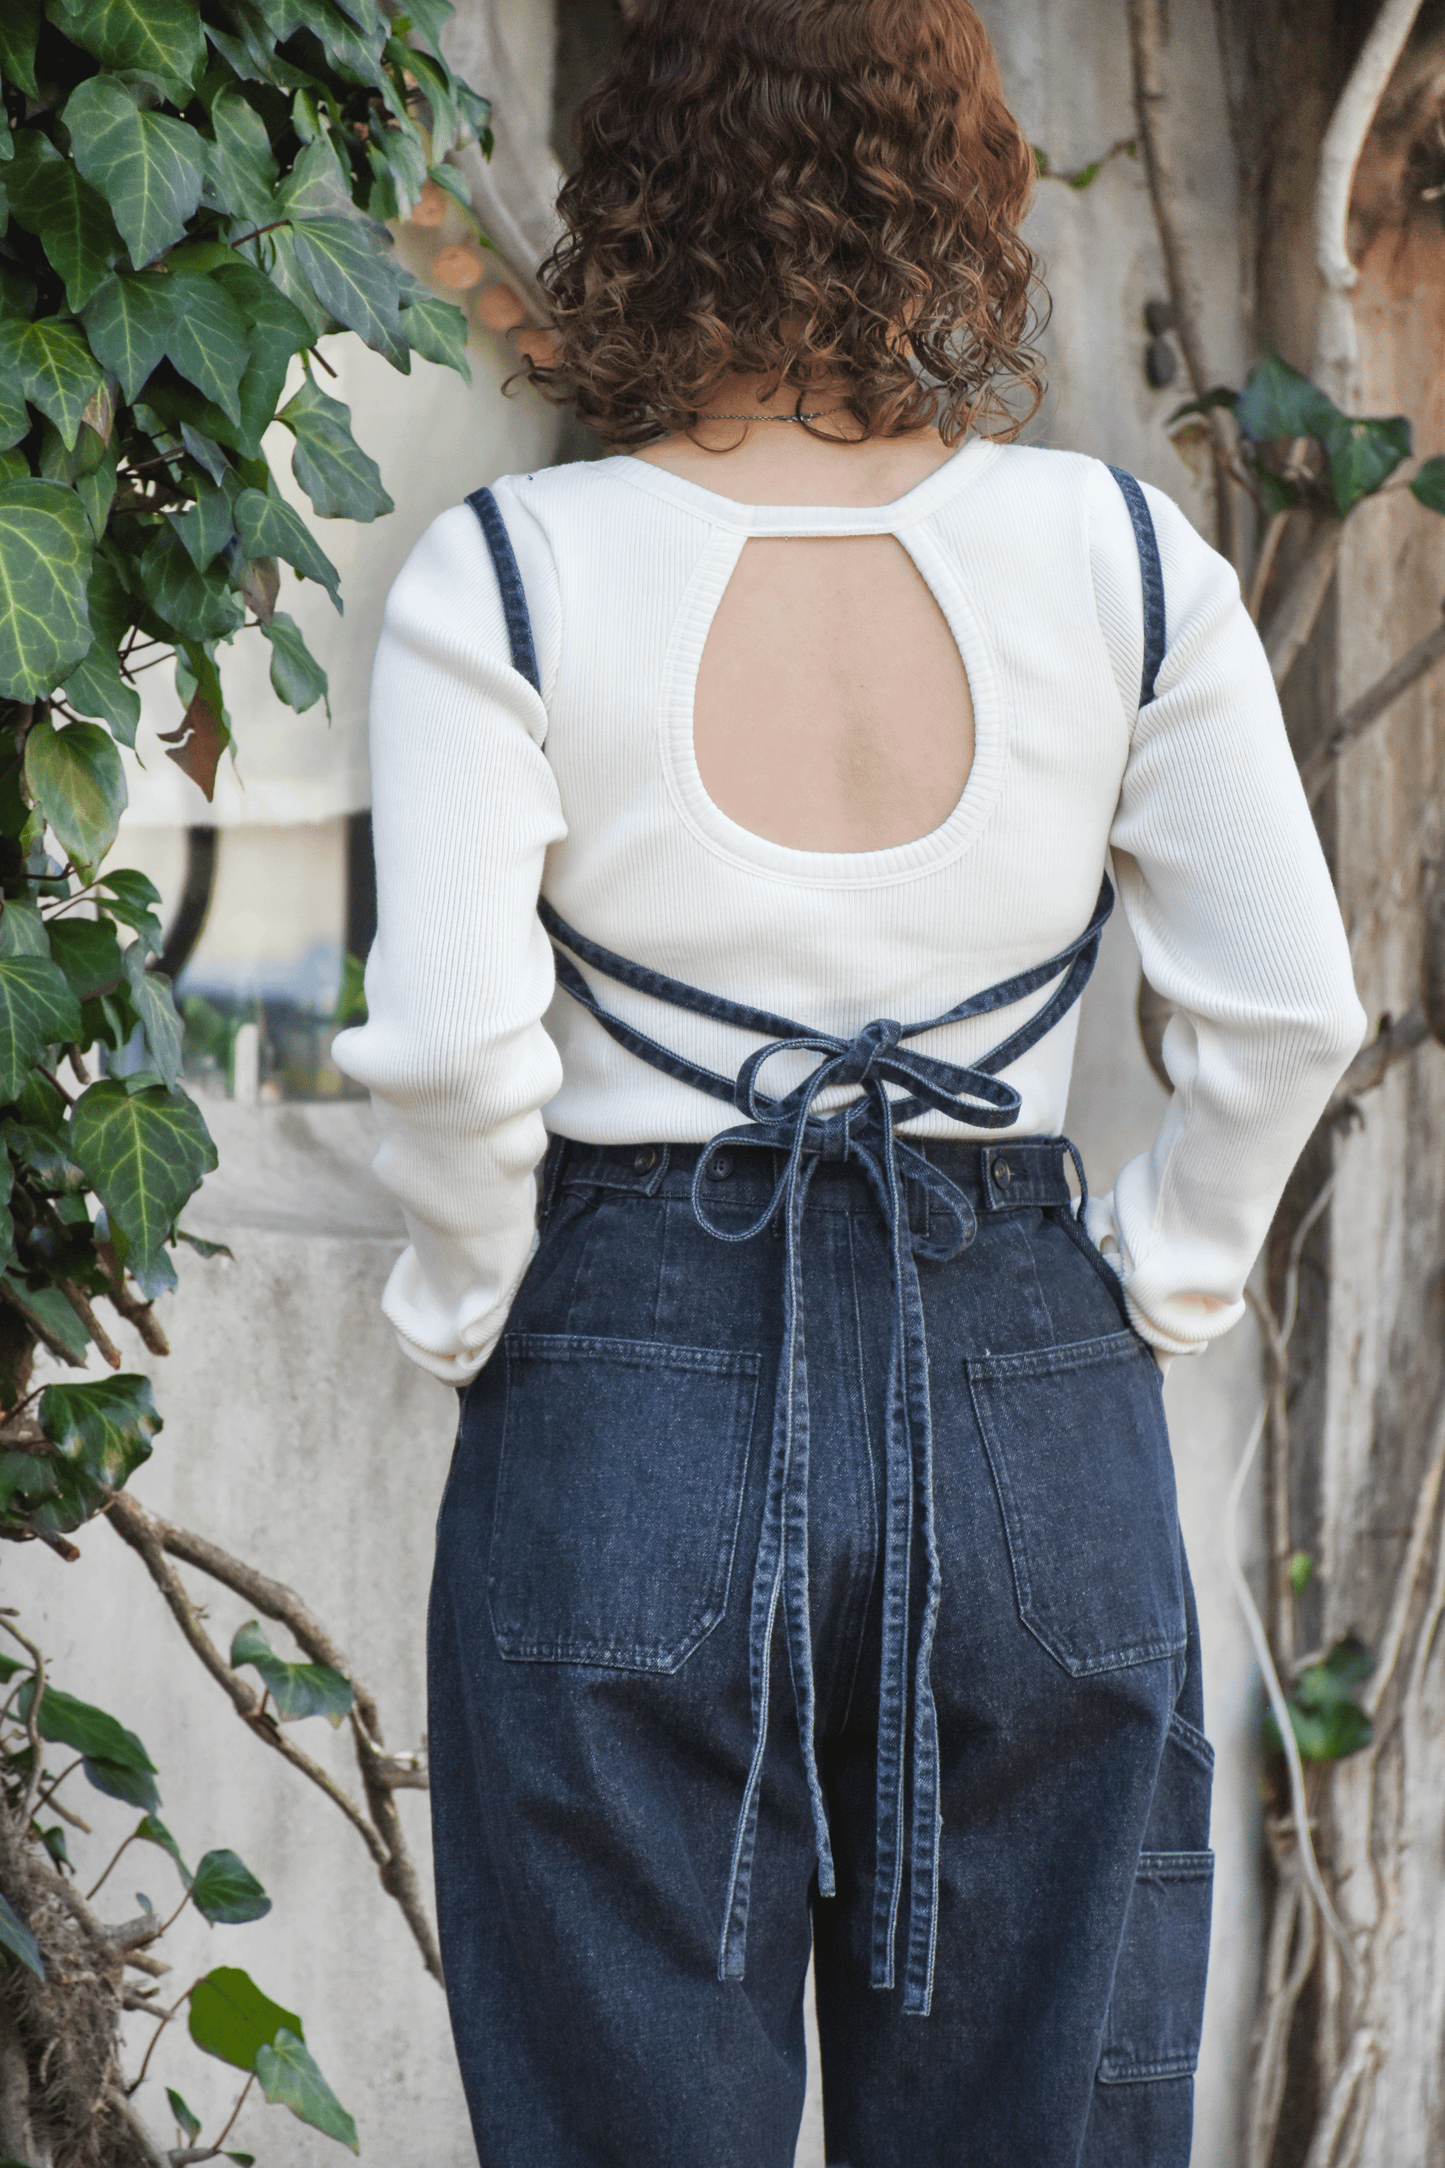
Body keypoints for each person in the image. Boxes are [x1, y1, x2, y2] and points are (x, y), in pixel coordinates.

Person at [333, 3, 1365, 2162]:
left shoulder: (504, 579)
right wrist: (1149, 1285)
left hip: (624, 1360)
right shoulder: (1120, 563)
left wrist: (463, 1303)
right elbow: (1282, 1017)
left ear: (640, 194)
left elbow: (444, 1048)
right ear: (957, 193)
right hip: (1022, 1382)